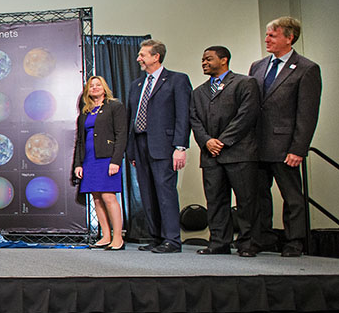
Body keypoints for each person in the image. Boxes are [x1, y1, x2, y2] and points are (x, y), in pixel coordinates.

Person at [248, 16, 322, 257]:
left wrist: (299, 148)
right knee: (258, 196)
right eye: (267, 34)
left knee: (292, 197)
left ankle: (294, 241)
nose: (267, 39)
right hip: (257, 144)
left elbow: (307, 113)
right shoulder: (258, 66)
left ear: (289, 38)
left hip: (285, 145)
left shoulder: (306, 69)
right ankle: (262, 238)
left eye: (273, 35)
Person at [189, 46, 260, 257]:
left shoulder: (244, 83)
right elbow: (194, 120)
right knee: (216, 201)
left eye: (208, 59)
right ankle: (219, 242)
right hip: (211, 155)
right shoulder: (198, 92)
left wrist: (223, 141)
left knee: (246, 201)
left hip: (239, 152)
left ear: (224, 60)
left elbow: (246, 115)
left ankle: (248, 243)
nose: (204, 63)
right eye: (202, 59)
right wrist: (207, 141)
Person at [126, 39, 192, 253]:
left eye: (143, 55)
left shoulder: (177, 80)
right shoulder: (136, 85)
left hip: (164, 146)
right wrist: (132, 151)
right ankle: (155, 237)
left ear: (156, 57)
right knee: (147, 193)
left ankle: (171, 240)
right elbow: (131, 120)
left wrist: (180, 147)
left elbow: (183, 116)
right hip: (141, 144)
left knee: (165, 193)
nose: (139, 59)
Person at [73, 75, 128, 251]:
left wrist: (116, 160)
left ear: (104, 88)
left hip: (107, 158)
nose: (95, 88)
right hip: (89, 159)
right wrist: (78, 164)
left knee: (108, 197)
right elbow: (80, 141)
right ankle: (105, 236)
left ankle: (118, 237)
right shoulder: (85, 112)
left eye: (98, 85)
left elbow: (121, 135)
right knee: (96, 198)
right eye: (91, 86)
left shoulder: (115, 106)